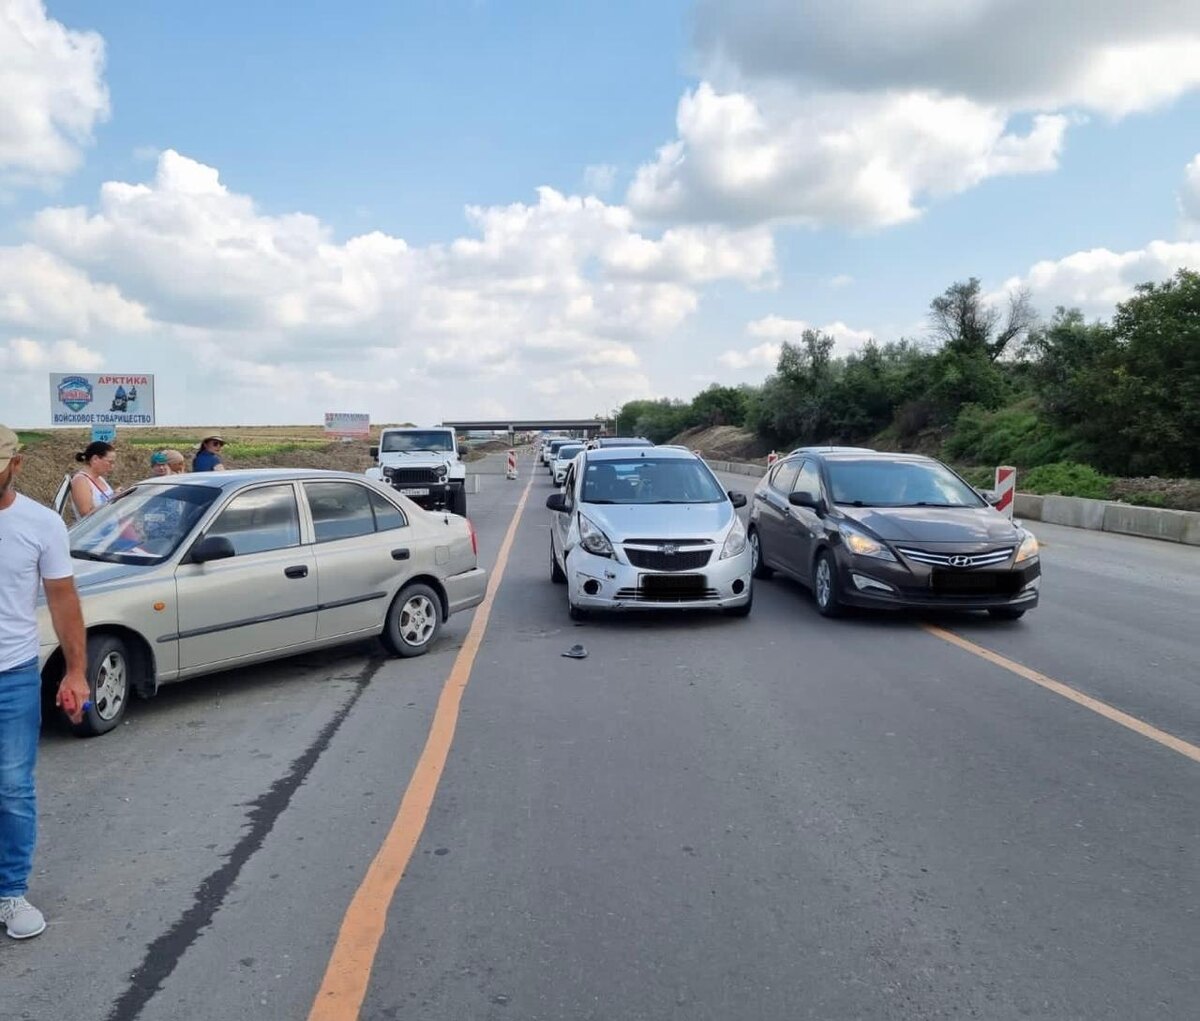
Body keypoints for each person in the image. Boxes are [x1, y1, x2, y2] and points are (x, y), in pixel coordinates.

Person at [0, 426, 89, 940]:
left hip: (11, 675)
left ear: (15, 464)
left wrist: (75, 672)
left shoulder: (41, 523)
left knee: (12, 788)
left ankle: (9, 892)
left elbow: (62, 599)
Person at [69, 441, 116, 520]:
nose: (112, 466)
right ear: (95, 459)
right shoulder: (81, 481)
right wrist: (114, 498)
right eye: (110, 462)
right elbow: (87, 514)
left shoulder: (100, 478)